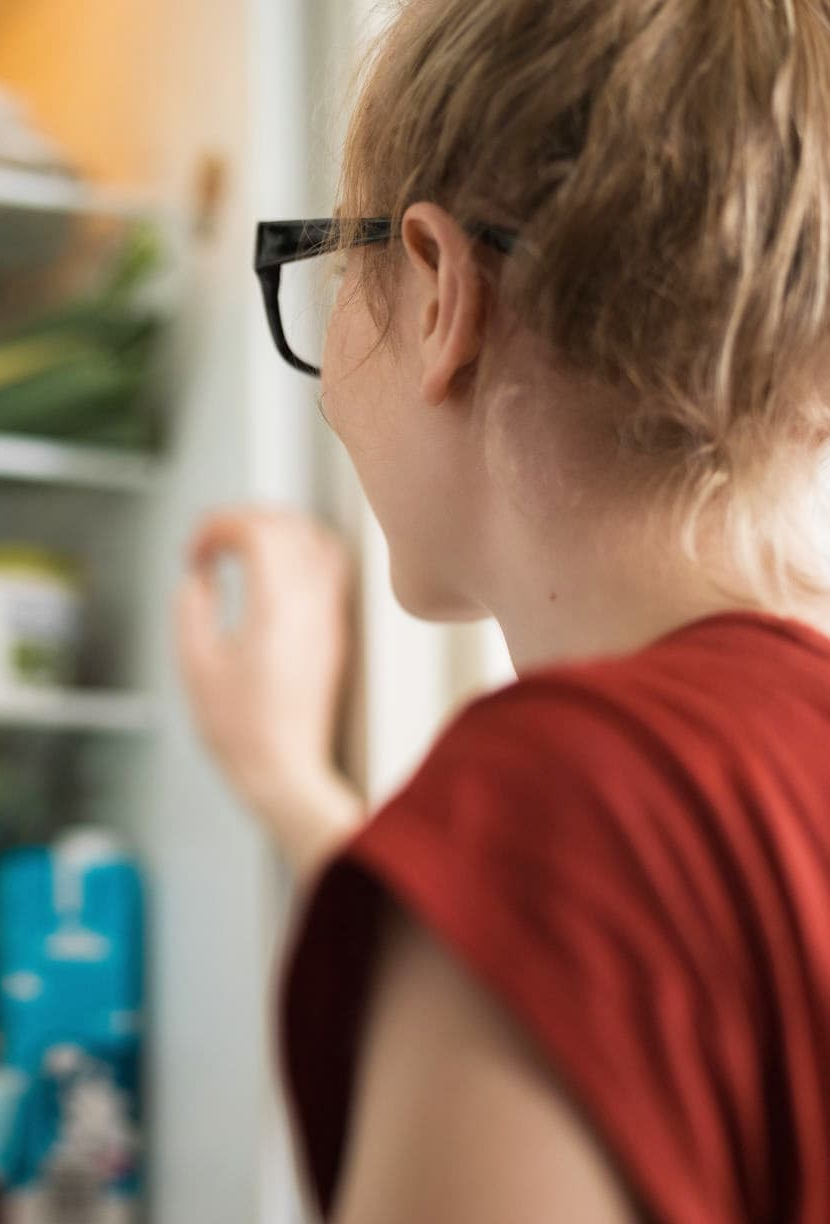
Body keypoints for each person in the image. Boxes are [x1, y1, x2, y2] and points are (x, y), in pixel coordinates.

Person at [177, 1, 830, 1221]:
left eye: (329, 262)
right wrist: (294, 793)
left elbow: (586, 911)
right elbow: (639, 994)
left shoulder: (559, 799)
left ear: (435, 291)